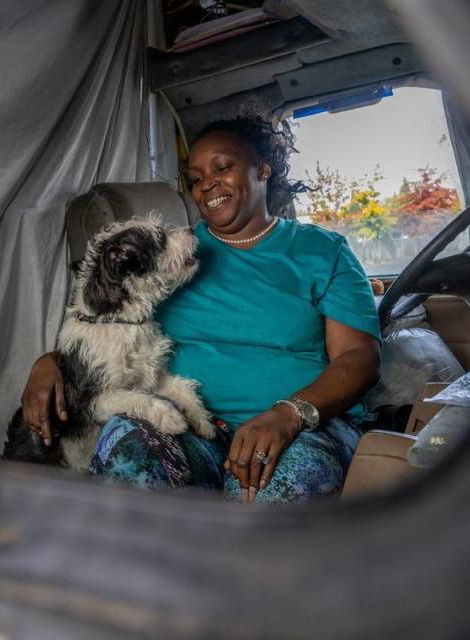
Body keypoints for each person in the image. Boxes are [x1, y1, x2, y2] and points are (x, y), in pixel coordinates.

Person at [21, 116, 381, 504]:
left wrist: (288, 414)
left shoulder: (323, 251)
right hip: (194, 432)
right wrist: (51, 362)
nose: (206, 183)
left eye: (222, 168)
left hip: (299, 429)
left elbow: (359, 357)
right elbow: (112, 328)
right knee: (126, 446)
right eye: (194, 178)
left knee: (274, 500)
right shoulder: (171, 260)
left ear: (263, 169)